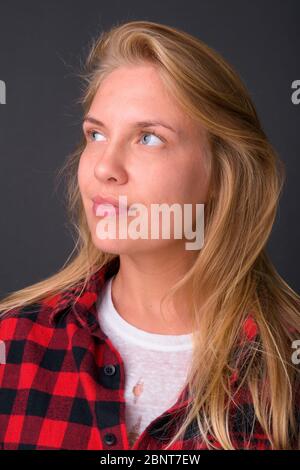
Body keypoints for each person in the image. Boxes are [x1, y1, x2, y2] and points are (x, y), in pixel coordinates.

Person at [0, 19, 299, 450]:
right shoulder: (14, 344)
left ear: (221, 172)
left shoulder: (287, 368)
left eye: (148, 138)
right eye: (96, 134)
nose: (105, 167)